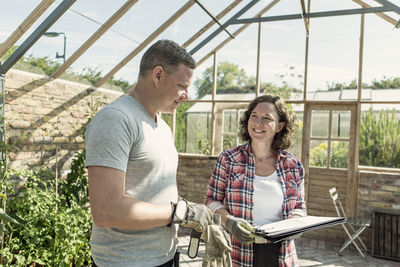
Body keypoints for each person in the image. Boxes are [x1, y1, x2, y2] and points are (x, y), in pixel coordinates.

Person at [85, 39, 213, 267]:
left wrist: (190, 210)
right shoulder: (116, 119)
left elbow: (155, 193)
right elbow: (106, 210)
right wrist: (179, 212)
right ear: (158, 75)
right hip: (126, 262)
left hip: (165, 257)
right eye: (182, 85)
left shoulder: (162, 126)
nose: (187, 95)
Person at [205, 94, 307, 267]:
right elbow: (211, 200)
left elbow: (299, 206)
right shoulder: (229, 159)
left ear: (280, 126)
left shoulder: (293, 165)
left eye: (266, 118)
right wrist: (229, 220)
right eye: (254, 116)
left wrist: (296, 223)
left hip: (282, 254)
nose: (258, 123)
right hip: (237, 252)